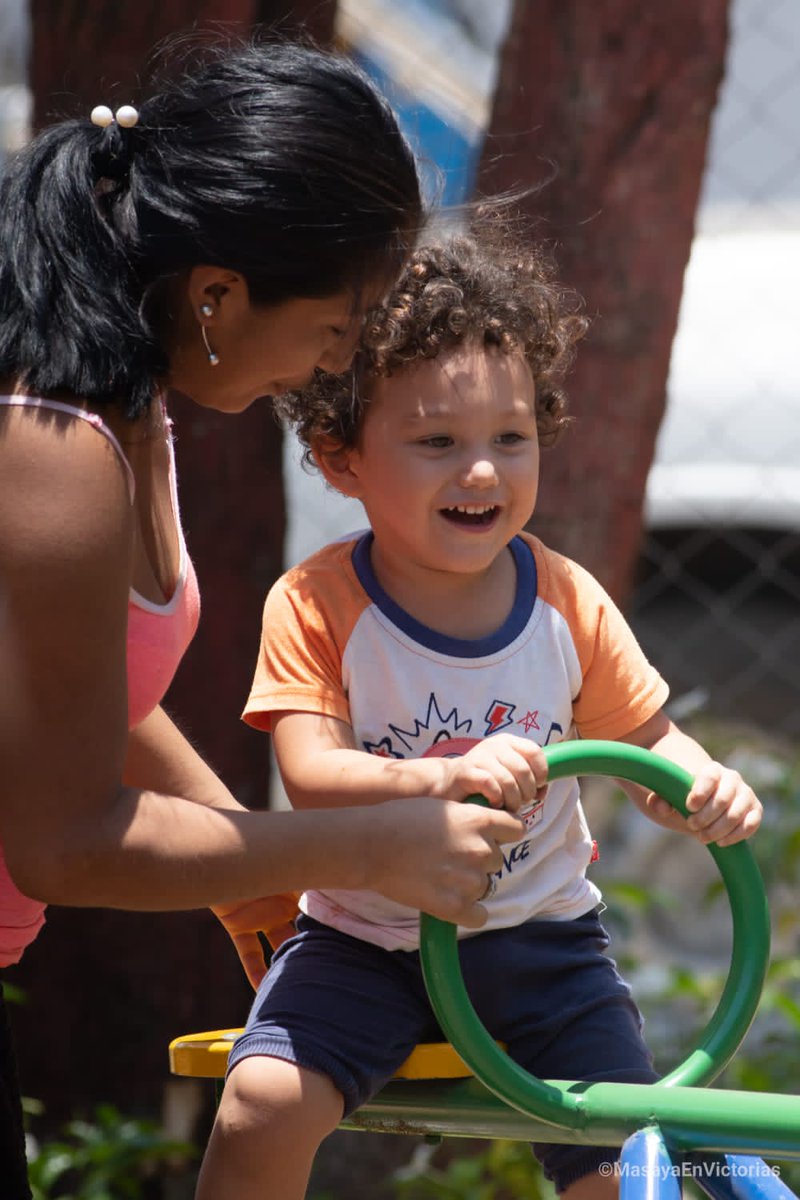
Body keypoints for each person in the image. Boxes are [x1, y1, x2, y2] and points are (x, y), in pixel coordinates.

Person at [0, 42, 527, 1198]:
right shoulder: (52, 447)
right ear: (219, 295)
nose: (334, 367)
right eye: (337, 329)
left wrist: (235, 862)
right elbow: (62, 837)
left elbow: (75, 700)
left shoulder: (124, 394)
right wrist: (361, 844)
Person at [196, 222, 763, 1200]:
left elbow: (647, 749)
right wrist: (439, 777)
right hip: (364, 944)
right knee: (259, 1109)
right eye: (436, 442)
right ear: (341, 460)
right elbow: (313, 775)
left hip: (542, 949)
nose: (482, 471)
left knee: (626, 1167)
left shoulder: (564, 600)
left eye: (510, 437)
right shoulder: (319, 602)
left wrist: (698, 788)